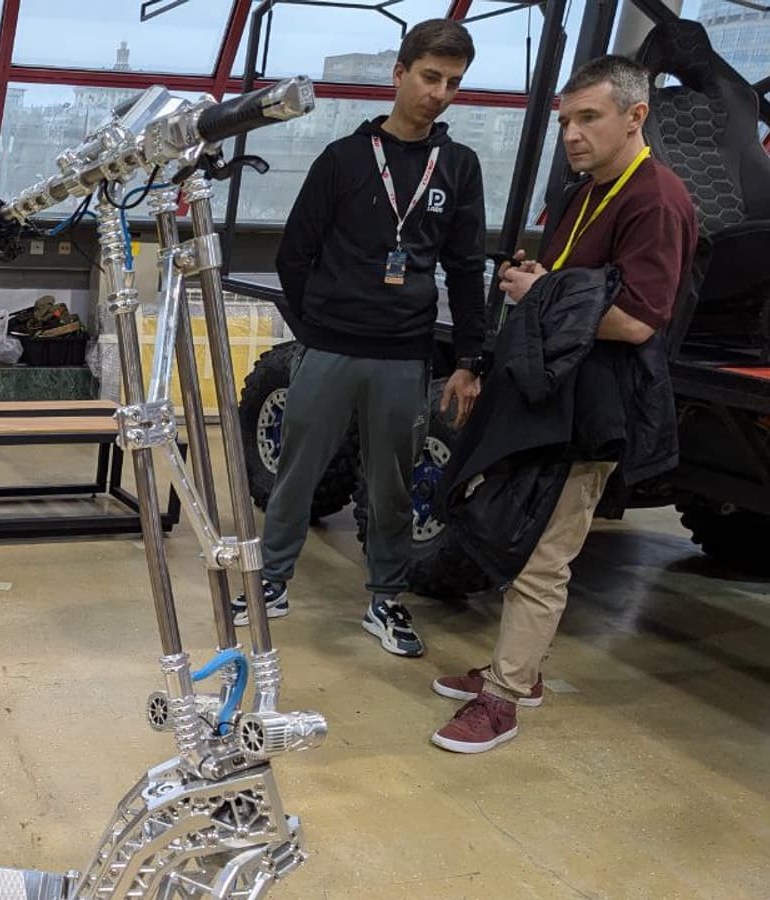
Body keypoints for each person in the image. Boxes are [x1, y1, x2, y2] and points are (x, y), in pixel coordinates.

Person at [429, 54, 697, 753]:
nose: (572, 134)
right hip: (548, 394)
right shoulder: (583, 194)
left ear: (635, 117)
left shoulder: (657, 200)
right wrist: (537, 284)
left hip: (592, 410)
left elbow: (637, 322)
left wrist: (541, 293)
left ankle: (506, 696)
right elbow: (571, 288)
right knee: (512, 530)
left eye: (589, 118)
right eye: (565, 121)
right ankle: (521, 669)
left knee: (544, 553)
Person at [248, 19, 489, 657]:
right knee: (296, 473)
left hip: (403, 356)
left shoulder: (458, 168)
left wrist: (470, 358)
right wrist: (317, 329)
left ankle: (385, 599)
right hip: (329, 348)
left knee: (391, 488)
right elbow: (294, 255)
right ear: (400, 74)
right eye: (430, 77)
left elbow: (467, 270)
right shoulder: (344, 159)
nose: (439, 94)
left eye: (453, 83)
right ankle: (271, 580)